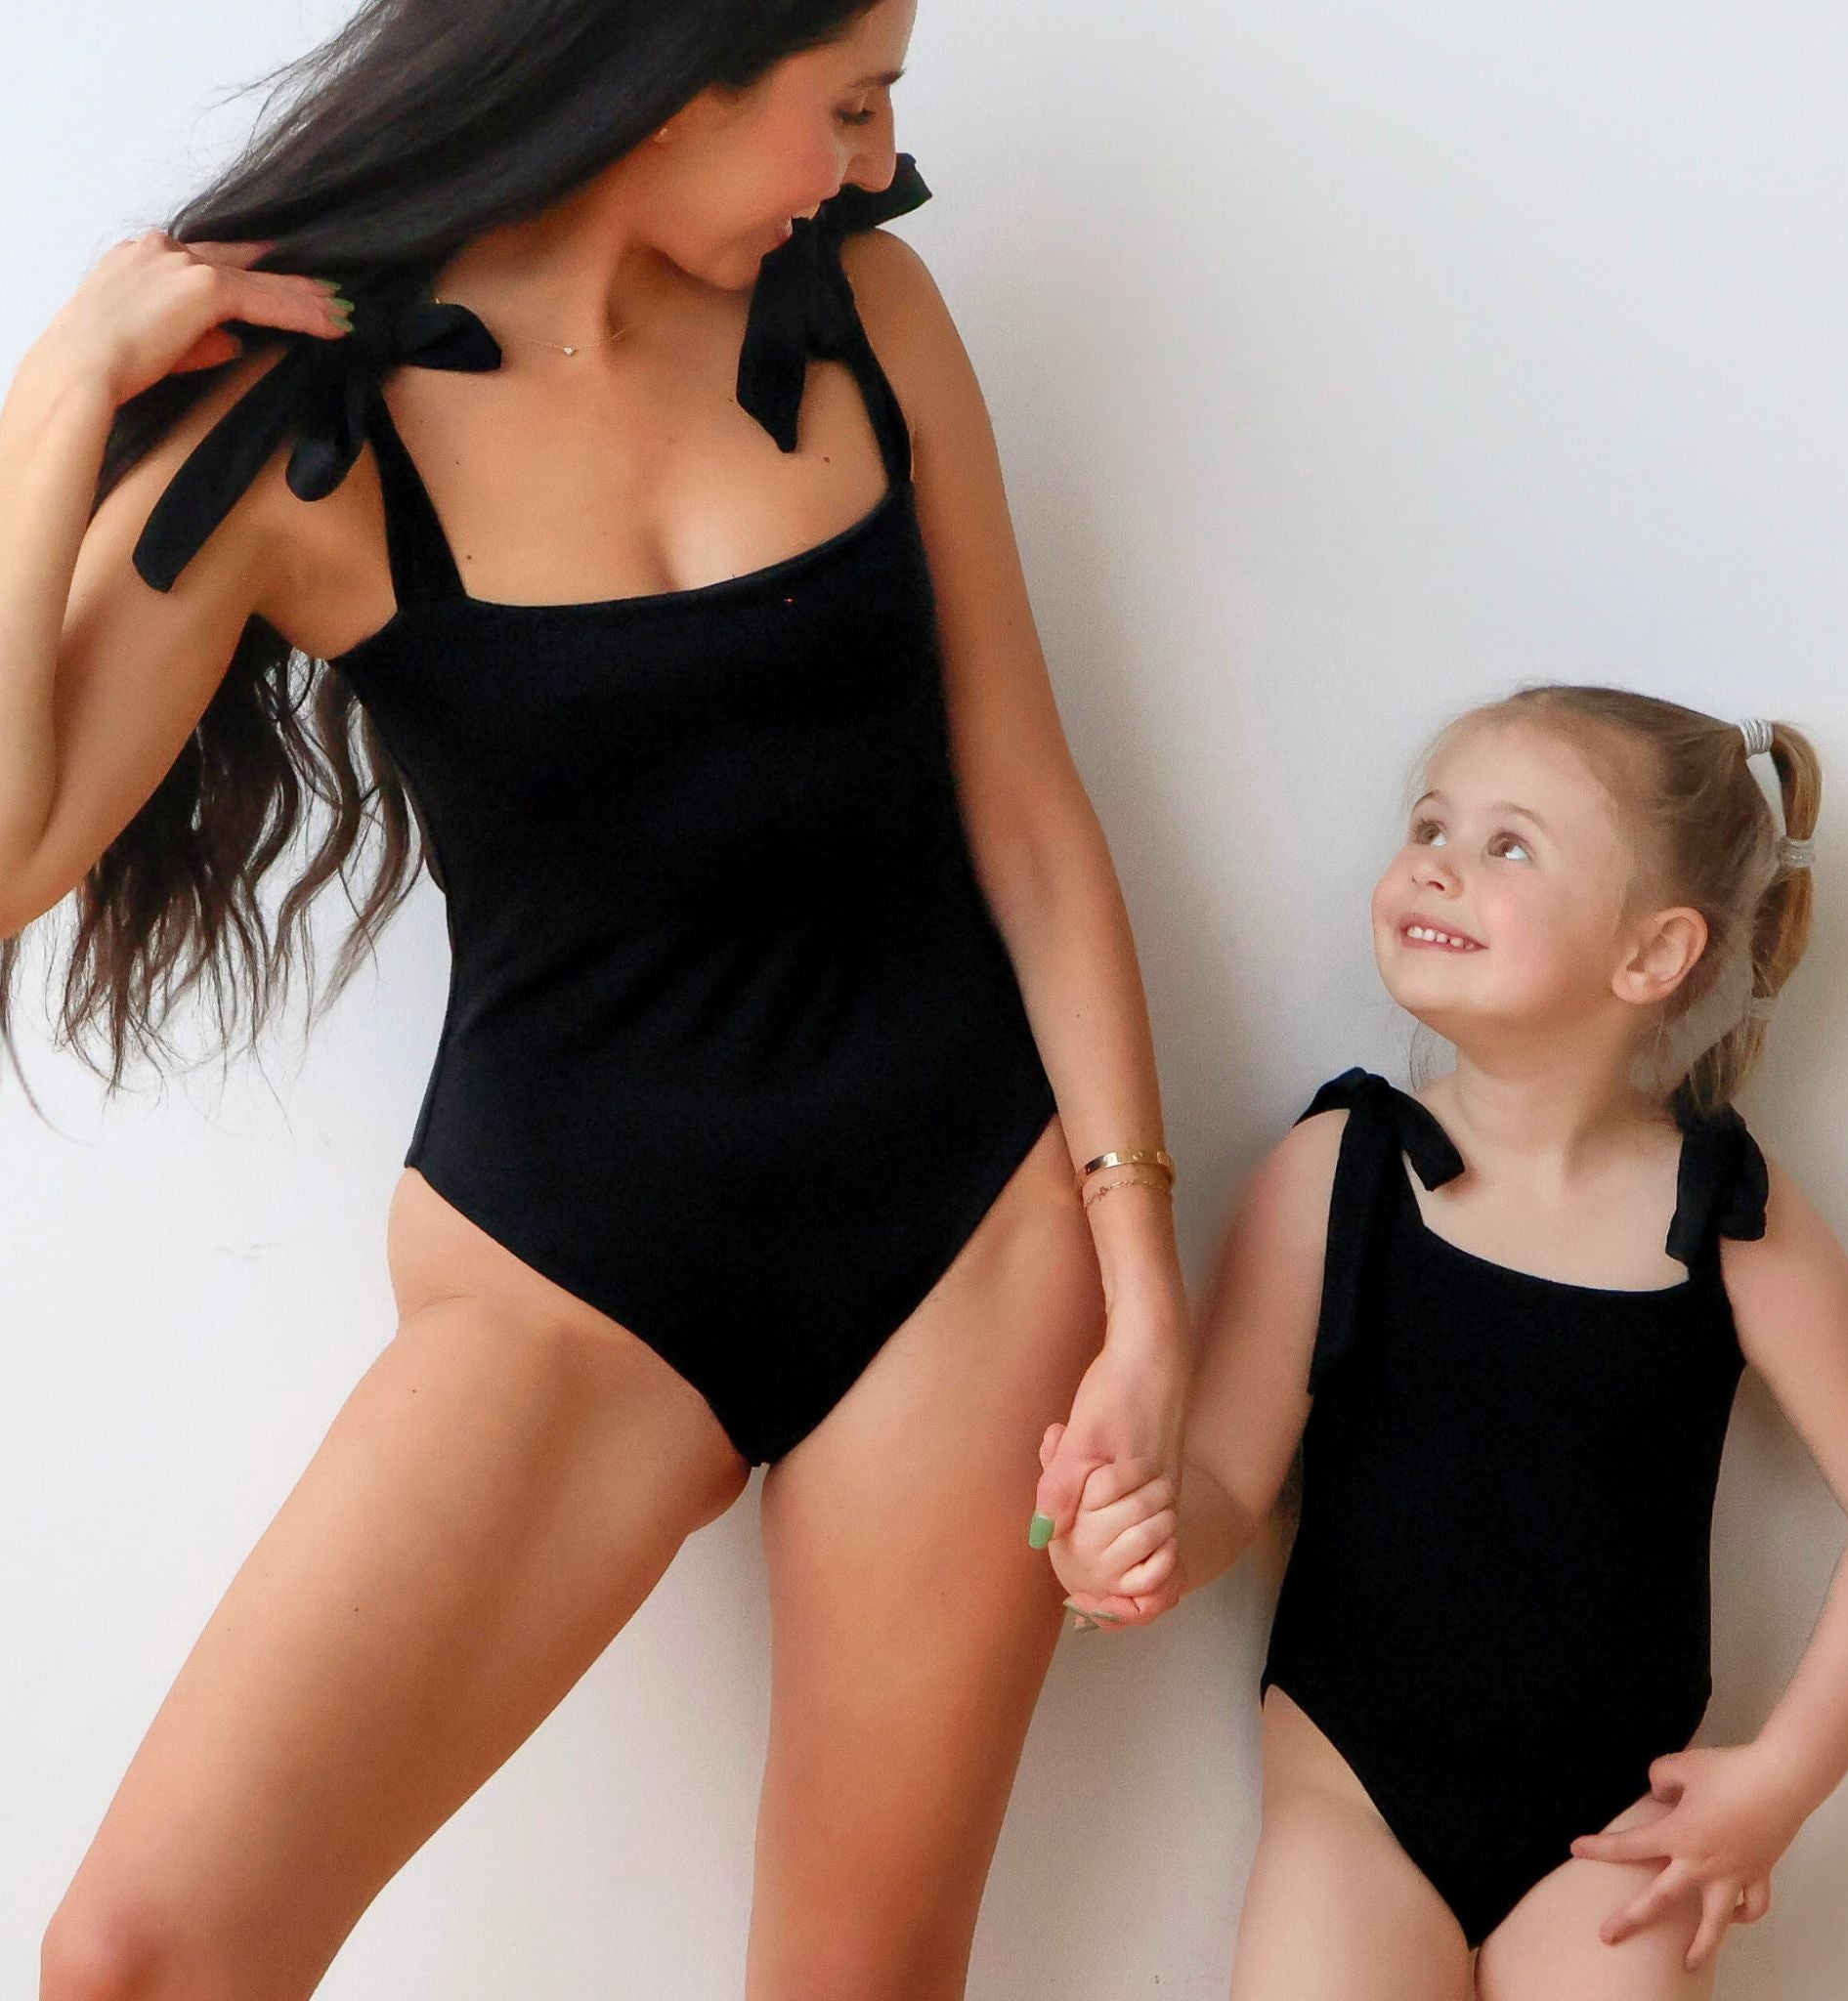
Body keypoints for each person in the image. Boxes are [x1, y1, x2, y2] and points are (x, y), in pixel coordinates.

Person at [3, 3, 1188, 1994]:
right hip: (572, 1262)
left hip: (962, 1239)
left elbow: (1028, 814)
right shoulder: (308, 432)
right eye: (845, 102)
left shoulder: (868, 315)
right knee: (144, 1958)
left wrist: (1140, 1289)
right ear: (670, 79)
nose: (879, 161)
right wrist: (56, 402)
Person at [1048, 685, 1848, 1997]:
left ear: (1650, 955)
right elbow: (1222, 1490)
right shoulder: (1343, 1169)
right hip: (1355, 1816)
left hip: (1613, 1842)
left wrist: (1785, 1781)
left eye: (1508, 846)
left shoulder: (1726, 1215)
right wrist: (1123, 1547)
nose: (1436, 859)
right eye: (1432, 822)